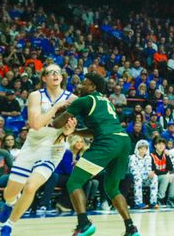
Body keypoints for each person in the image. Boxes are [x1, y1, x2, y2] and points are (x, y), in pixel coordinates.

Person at [51, 72, 141, 236]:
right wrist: (75, 132)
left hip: (107, 142)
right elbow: (94, 130)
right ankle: (131, 228)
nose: (80, 86)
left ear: (93, 86)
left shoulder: (84, 100)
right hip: (123, 141)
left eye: (84, 83)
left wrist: (55, 112)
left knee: (74, 183)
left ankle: (84, 224)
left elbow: (57, 123)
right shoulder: (105, 101)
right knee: (112, 188)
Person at [0, 65, 75, 233]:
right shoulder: (35, 96)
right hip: (33, 145)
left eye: (58, 72)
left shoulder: (73, 99)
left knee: (31, 187)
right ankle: (10, 203)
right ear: (44, 78)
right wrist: (56, 108)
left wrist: (70, 132)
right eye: (50, 72)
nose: (55, 74)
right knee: (10, 193)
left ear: (62, 77)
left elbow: (75, 128)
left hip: (54, 149)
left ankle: (9, 225)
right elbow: (35, 124)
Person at [129, 140, 158, 210]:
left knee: (155, 177)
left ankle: (153, 202)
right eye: (141, 148)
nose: (142, 150)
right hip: (135, 179)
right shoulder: (132, 157)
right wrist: (145, 174)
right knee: (138, 177)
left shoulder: (149, 157)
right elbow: (133, 171)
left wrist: (150, 173)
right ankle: (138, 203)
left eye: (144, 148)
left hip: (145, 178)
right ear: (137, 149)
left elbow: (148, 169)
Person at [150, 138, 174, 207]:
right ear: (155, 145)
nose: (161, 146)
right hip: (154, 177)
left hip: (163, 175)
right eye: (159, 144)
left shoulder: (166, 155)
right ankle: (160, 199)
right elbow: (154, 170)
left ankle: (170, 199)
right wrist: (166, 173)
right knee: (166, 177)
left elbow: (171, 169)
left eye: (163, 144)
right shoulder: (151, 155)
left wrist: (167, 156)